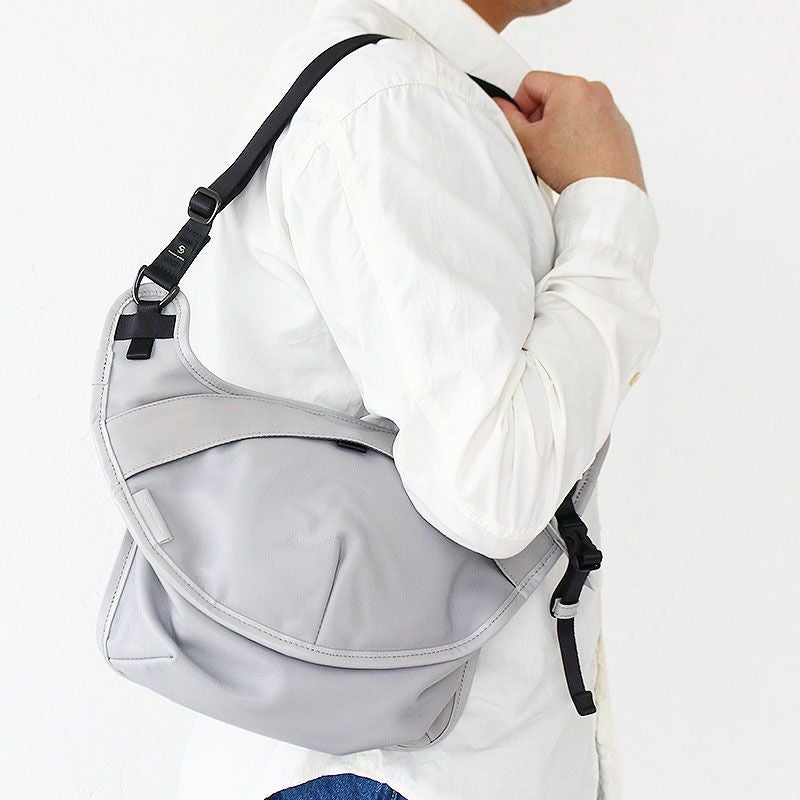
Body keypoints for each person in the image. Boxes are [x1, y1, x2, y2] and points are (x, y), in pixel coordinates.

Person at [180, 0, 660, 798]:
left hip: (386, 748)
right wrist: (609, 204)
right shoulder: (391, 103)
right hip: (395, 765)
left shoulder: (394, 92)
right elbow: (492, 487)